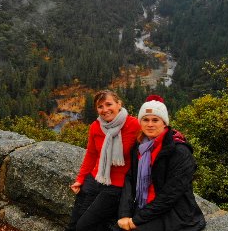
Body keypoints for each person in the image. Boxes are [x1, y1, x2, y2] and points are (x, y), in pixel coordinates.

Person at [114, 95, 206, 231]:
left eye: (155, 120)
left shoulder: (179, 151)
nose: (150, 124)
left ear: (164, 123)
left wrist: (137, 220)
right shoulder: (139, 146)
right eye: (145, 119)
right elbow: (130, 180)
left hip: (175, 213)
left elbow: (171, 194)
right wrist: (124, 214)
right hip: (145, 207)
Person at [67, 90, 141, 231]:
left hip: (116, 186)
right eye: (100, 106)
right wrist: (80, 179)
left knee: (84, 226)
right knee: (74, 223)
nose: (105, 109)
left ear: (119, 104)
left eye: (109, 104)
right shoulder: (96, 126)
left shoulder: (134, 125)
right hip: (95, 178)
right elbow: (91, 155)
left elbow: (153, 137)